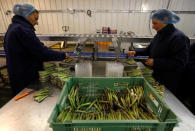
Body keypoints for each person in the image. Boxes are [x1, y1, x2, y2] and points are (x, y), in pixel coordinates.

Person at [4, 2, 69, 96]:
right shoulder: (23, 30)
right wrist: (62, 55)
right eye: (35, 18)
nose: (37, 22)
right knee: (25, 99)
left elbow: (34, 48)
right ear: (27, 15)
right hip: (24, 75)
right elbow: (41, 52)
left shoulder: (14, 26)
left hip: (17, 72)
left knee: (21, 98)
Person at [128, 9, 190, 96]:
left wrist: (156, 62)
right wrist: (135, 52)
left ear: (165, 22)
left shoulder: (179, 38)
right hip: (156, 76)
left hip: (169, 82)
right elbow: (148, 50)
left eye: (155, 23)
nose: (152, 27)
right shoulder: (159, 35)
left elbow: (180, 63)